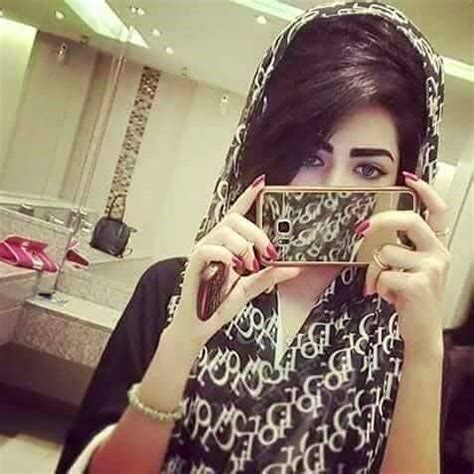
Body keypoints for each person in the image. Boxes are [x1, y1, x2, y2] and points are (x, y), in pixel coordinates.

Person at [56, 2, 451, 472]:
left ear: (405, 185)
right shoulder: (171, 290)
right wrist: (182, 340)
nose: (329, 190)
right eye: (310, 157)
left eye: (368, 169)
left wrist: (424, 353)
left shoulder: (405, 336)